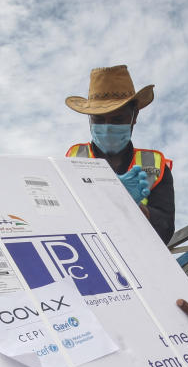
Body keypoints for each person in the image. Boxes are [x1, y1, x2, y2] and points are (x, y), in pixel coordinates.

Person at [65, 65, 175, 243]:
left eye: (117, 119)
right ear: (89, 119)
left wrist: (135, 206)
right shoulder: (73, 158)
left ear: (135, 116)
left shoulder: (155, 166)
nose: (107, 127)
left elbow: (166, 231)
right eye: (99, 120)